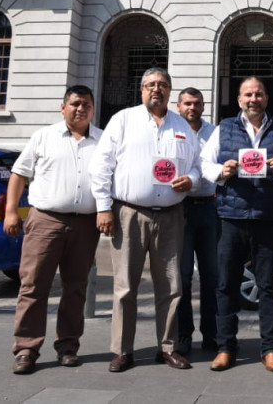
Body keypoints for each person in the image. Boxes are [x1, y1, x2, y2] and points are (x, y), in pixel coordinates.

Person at [89, 67, 201, 373]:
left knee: (172, 285)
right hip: (129, 213)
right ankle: (123, 350)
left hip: (171, 215)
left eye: (162, 85)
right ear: (141, 90)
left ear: (169, 91)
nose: (157, 89)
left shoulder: (182, 126)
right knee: (125, 286)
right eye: (151, 84)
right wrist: (103, 207)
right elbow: (101, 165)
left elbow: (195, 166)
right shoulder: (123, 120)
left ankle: (167, 347)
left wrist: (190, 180)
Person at [200, 76, 273, 373]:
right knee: (226, 284)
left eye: (258, 94)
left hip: (267, 217)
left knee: (268, 286)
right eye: (247, 94)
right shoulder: (225, 128)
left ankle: (270, 349)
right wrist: (222, 170)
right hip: (231, 217)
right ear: (240, 99)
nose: (253, 99)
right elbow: (205, 164)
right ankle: (225, 347)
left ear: (267, 98)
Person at [4, 85, 102, 375]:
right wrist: (11, 212)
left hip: (86, 223)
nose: (80, 109)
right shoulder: (43, 137)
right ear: (63, 108)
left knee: (76, 287)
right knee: (33, 285)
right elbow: (19, 175)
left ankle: (68, 346)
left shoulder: (103, 140)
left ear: (92, 109)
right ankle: (26, 348)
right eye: (74, 103)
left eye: (86, 104)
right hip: (45, 220)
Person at [176, 87, 219, 356]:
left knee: (211, 276)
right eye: (187, 103)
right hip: (180, 209)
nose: (192, 107)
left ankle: (211, 334)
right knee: (181, 277)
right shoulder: (171, 133)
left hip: (211, 207)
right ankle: (183, 335)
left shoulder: (215, 132)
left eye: (197, 103)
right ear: (178, 106)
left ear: (204, 105)